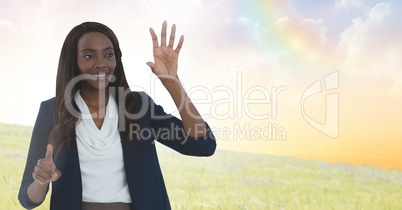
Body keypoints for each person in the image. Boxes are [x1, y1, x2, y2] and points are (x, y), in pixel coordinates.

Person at [18, 21, 216, 210]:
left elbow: (202, 145)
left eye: (108, 54)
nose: (101, 63)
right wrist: (40, 180)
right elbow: (29, 199)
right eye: (88, 56)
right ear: (73, 61)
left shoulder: (138, 106)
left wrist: (172, 82)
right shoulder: (52, 112)